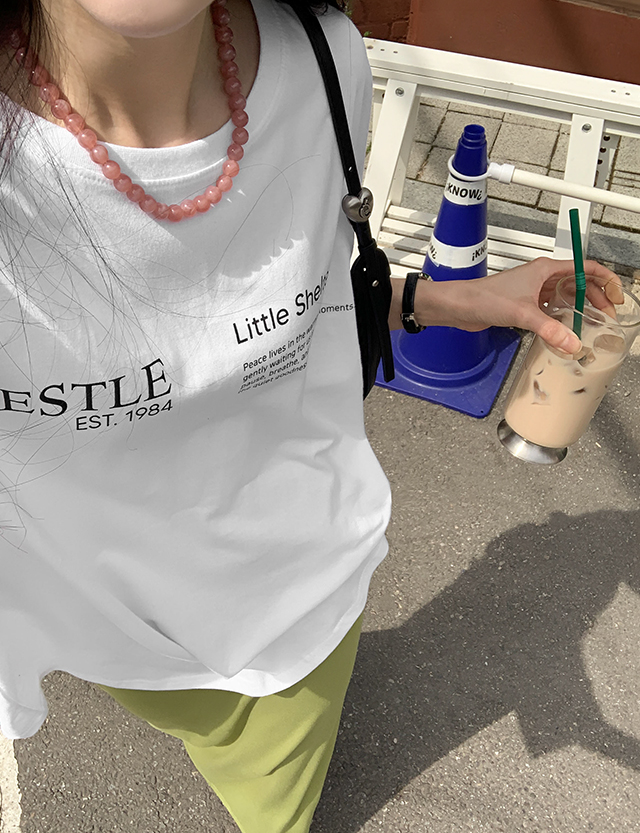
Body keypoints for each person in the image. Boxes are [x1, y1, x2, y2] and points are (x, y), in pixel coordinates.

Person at [0, 1, 618, 831]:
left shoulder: (325, 61)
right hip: (103, 630)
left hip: (300, 592)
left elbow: (304, 297)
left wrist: (449, 300)